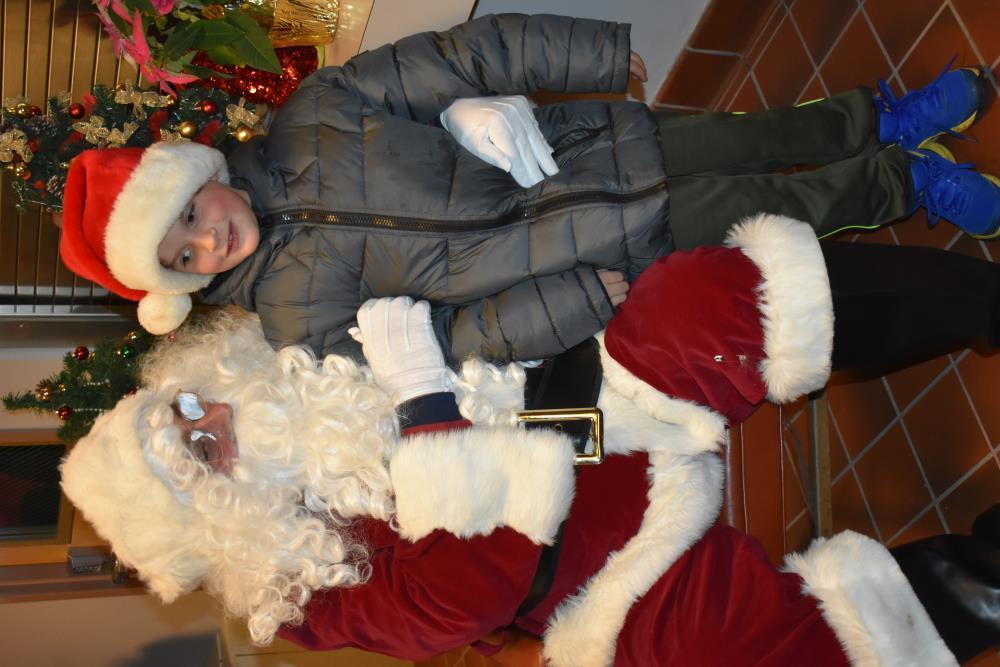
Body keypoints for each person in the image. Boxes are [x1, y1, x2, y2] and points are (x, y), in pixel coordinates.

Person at [61, 211, 999, 666]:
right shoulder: (303, 591)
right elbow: (458, 597)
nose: (214, 419)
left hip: (591, 405)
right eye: (197, 451)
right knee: (746, 652)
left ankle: (979, 302)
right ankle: (986, 579)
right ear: (209, 512)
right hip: (601, 569)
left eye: (186, 406)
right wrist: (425, 402)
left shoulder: (303, 358)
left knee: (702, 299)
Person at [57, 13, 999, 363]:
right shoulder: (298, 321)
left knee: (769, 136)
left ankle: (882, 119)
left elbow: (464, 54)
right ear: (180, 285)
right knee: (790, 211)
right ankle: (906, 182)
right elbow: (451, 342)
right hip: (610, 249)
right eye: (181, 258)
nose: (206, 242)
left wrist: (591, 53)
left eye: (189, 216)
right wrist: (574, 299)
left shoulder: (316, 113)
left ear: (202, 175)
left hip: (600, 146)